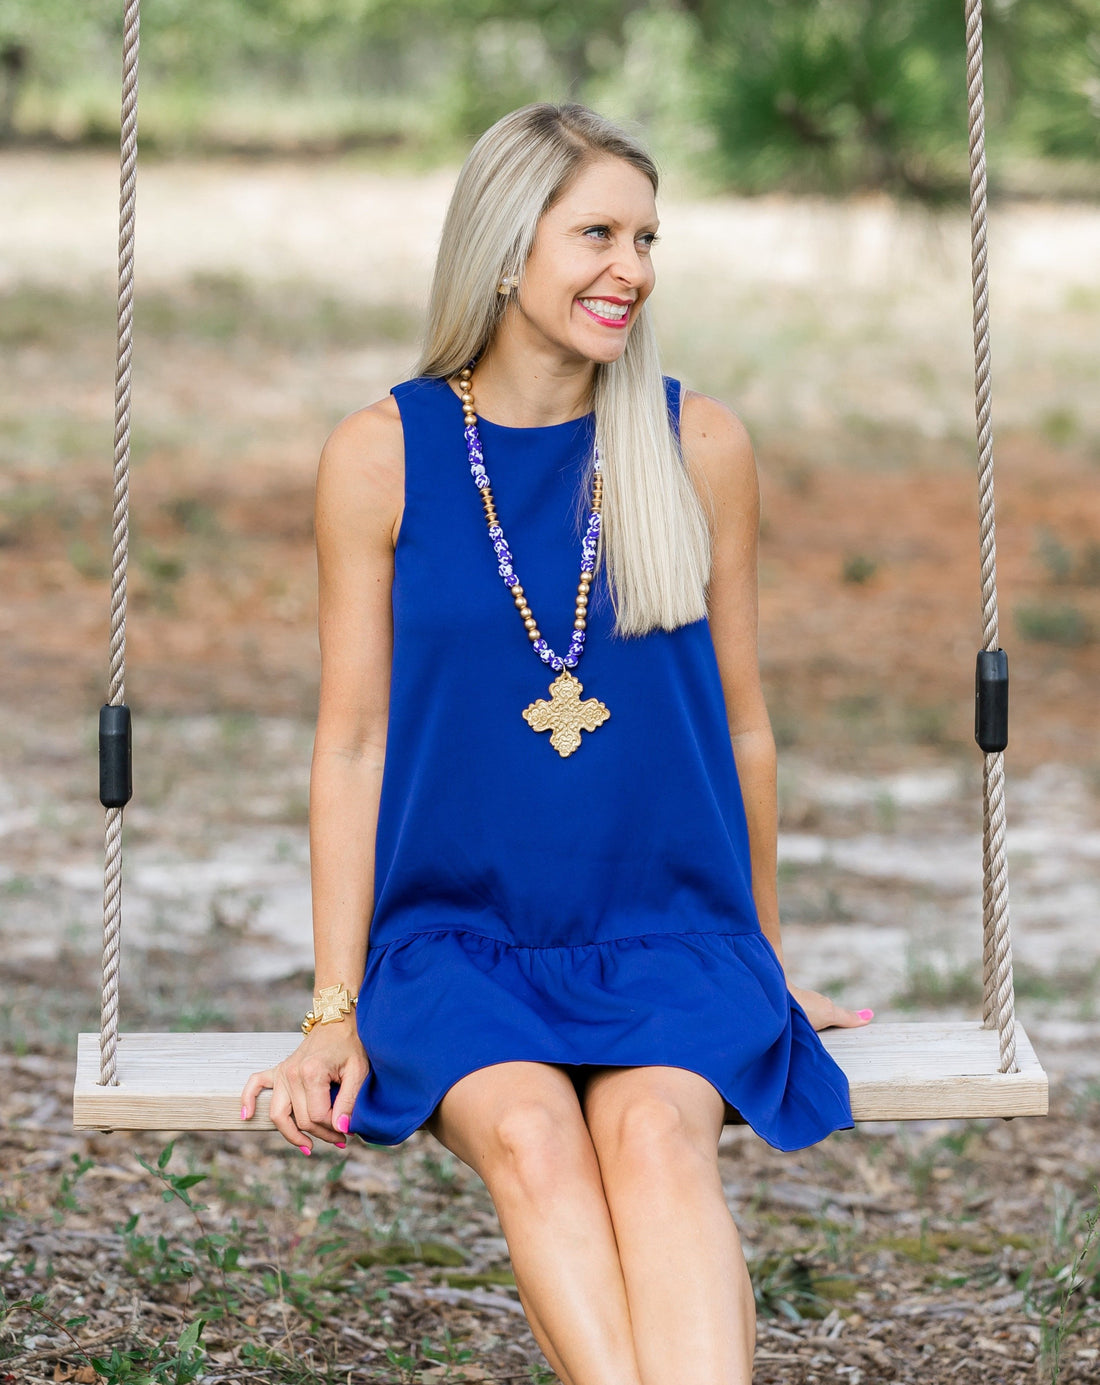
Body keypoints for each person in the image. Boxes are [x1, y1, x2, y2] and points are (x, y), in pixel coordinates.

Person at [241, 101, 874, 1385]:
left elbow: (743, 726)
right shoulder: (382, 457)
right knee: (530, 1130)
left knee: (652, 1137)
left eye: (646, 238)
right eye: (596, 233)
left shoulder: (694, 444)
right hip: (457, 934)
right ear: (502, 244)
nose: (629, 269)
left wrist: (763, 951)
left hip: (667, 921)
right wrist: (330, 1006)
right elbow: (352, 744)